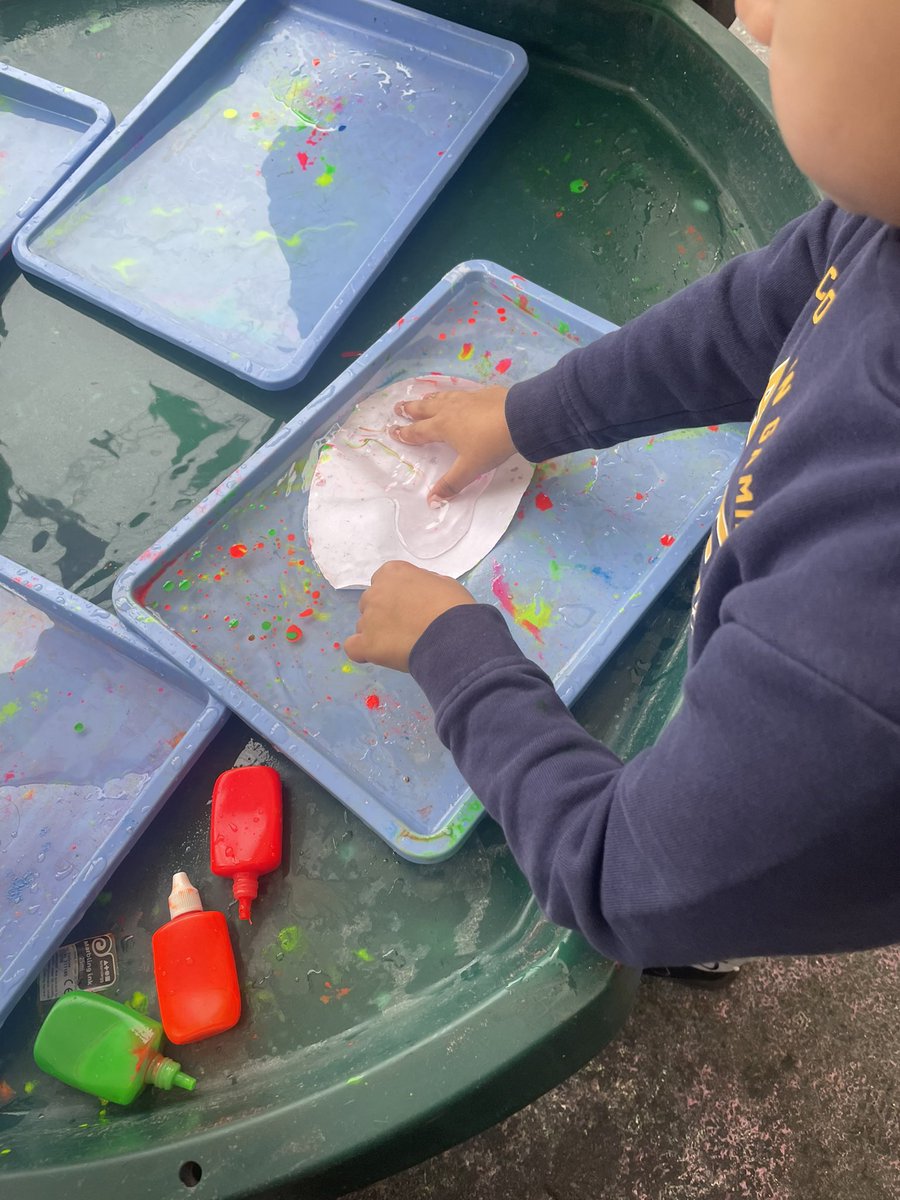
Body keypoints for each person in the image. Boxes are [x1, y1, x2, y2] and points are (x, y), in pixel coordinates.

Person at [344, 0, 900, 981]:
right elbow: (773, 304)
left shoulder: (855, 654)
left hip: (751, 809)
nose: (753, 16)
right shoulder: (884, 217)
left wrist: (457, 652)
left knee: (711, 881)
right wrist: (528, 413)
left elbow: (618, 875)